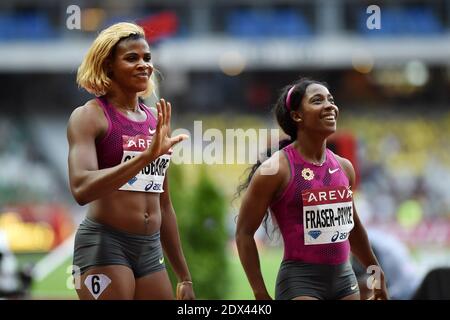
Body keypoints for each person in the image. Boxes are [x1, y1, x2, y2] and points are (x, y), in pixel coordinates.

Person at [67, 22, 194, 300]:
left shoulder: (155, 121)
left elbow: (164, 203)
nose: (144, 65)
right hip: (105, 244)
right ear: (108, 66)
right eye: (132, 58)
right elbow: (81, 188)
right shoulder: (89, 117)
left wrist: (184, 276)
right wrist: (145, 157)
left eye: (147, 58)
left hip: (149, 250)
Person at [235, 78, 389, 300]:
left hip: (345, 280)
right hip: (301, 282)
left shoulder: (345, 168)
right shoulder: (276, 169)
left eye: (331, 100)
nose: (330, 106)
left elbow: (353, 229)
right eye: (318, 101)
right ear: (297, 115)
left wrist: (376, 273)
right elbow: (244, 233)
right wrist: (260, 293)